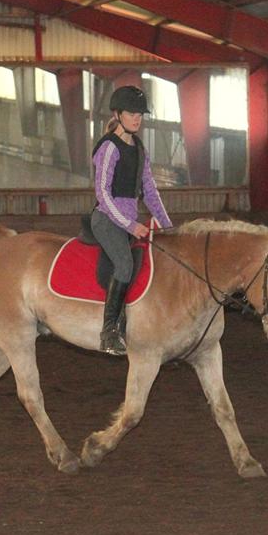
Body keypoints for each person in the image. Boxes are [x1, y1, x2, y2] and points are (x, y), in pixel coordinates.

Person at [91, 84, 173, 356]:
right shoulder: (109, 148)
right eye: (131, 113)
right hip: (106, 220)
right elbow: (102, 194)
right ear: (118, 114)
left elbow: (150, 191)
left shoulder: (139, 148)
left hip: (130, 222)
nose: (137, 118)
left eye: (140, 113)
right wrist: (129, 225)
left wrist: (167, 226)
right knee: (124, 264)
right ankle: (109, 332)